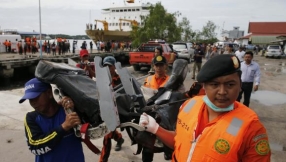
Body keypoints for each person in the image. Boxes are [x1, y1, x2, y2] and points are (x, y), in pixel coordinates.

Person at [139, 54, 271, 162]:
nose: (222, 91)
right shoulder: (188, 106)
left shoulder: (251, 128)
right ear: (204, 86)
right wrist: (155, 128)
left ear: (240, 85)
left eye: (230, 84)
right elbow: (180, 141)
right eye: (214, 84)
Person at [20, 78, 84, 162]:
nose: (33, 103)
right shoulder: (31, 118)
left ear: (49, 93)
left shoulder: (68, 111)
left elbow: (86, 134)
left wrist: (76, 105)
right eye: (30, 100)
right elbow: (34, 145)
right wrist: (63, 128)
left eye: (35, 98)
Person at [99, 56, 125, 162]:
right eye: (105, 66)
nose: (107, 69)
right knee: (109, 132)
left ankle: (103, 160)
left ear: (114, 67)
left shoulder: (120, 80)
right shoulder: (102, 80)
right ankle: (119, 138)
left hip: (119, 110)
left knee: (107, 136)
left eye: (109, 66)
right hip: (107, 111)